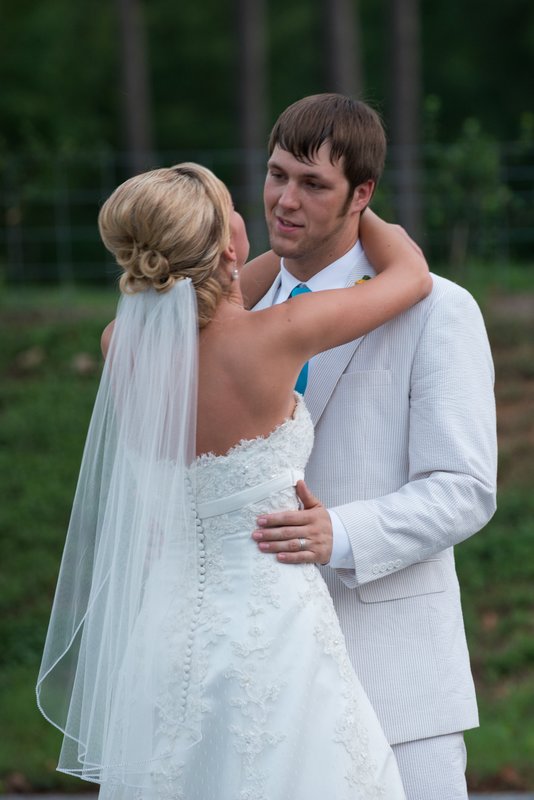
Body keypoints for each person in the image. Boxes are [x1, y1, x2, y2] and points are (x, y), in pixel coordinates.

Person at [36, 162, 431, 799]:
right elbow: (409, 276)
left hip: (166, 627)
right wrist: (355, 203)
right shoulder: (279, 336)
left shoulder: (122, 345)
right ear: (226, 248)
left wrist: (255, 252)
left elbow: (211, 295)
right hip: (269, 624)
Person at [250, 93, 498, 800]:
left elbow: (465, 487)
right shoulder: (236, 316)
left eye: (313, 184)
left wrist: (342, 533)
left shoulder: (438, 310)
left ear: (363, 194)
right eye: (276, 175)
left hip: (396, 683)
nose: (284, 200)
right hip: (257, 683)